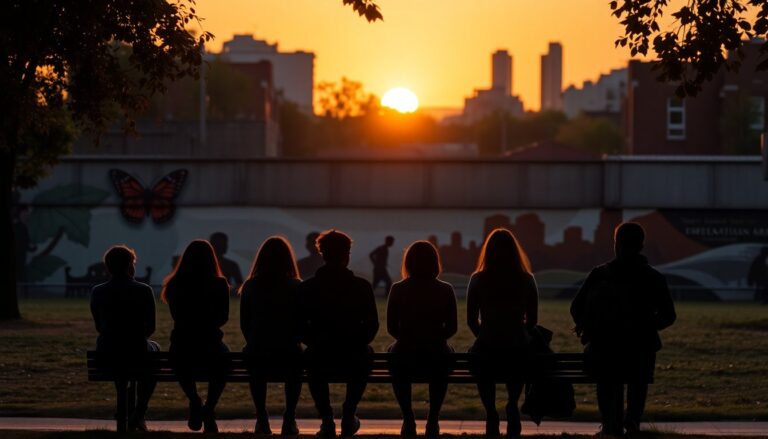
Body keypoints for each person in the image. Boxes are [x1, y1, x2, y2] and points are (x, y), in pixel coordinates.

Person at [570, 222, 676, 436]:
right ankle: (633, 419)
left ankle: (609, 423)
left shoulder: (599, 274)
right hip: (639, 351)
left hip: (603, 350)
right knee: (638, 379)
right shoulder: (653, 278)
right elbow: (669, 316)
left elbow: (575, 308)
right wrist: (645, 326)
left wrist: (592, 328)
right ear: (641, 245)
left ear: (616, 244)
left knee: (605, 379)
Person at [298, 230, 379, 438]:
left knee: (310, 359)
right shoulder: (361, 286)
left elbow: (300, 325)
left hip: (320, 353)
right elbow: (372, 324)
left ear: (322, 254)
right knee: (366, 354)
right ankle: (349, 412)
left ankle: (326, 419)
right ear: (347, 254)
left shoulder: (309, 287)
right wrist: (356, 341)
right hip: (354, 353)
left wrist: (316, 341)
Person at [466, 228, 538, 437]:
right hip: (517, 347)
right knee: (520, 358)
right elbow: (532, 321)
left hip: (487, 347)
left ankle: (491, 412)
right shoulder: (526, 279)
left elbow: (471, 320)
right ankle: (513, 403)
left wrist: (485, 335)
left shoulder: (478, 279)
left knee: (479, 361)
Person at [387, 241, 457, 437]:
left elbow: (392, 327)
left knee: (393, 356)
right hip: (436, 353)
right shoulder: (445, 289)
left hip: (405, 352)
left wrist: (408, 339)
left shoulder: (398, 288)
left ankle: (408, 419)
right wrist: (435, 339)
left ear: (408, 262)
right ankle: (433, 419)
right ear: (435, 262)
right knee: (445, 360)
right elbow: (452, 327)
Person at [161, 240, 230, 433]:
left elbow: (177, 316)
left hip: (183, 344)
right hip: (211, 344)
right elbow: (222, 318)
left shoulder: (175, 284)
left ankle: (195, 400)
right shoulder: (219, 283)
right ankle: (209, 408)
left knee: (178, 360)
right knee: (224, 362)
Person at [90, 245, 158, 432]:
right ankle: (139, 411)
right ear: (130, 265)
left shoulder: (98, 291)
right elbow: (150, 328)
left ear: (108, 266)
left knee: (117, 353)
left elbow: (99, 327)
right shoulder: (144, 290)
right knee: (153, 350)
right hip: (137, 353)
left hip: (107, 356)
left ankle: (125, 412)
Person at [239, 236, 303, 435]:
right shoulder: (296, 286)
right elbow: (302, 323)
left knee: (255, 367)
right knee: (295, 367)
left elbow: (244, 324)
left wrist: (255, 340)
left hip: (258, 350)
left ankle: (262, 418)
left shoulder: (250, 286)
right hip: (288, 350)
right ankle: (289, 417)